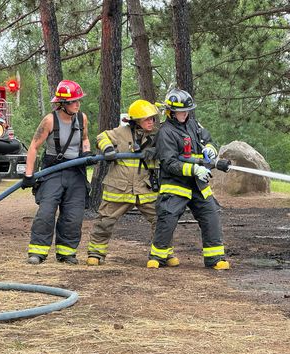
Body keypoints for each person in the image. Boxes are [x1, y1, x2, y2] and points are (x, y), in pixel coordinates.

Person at [86, 99, 179, 267]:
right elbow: (101, 136)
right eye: (146, 119)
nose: (151, 122)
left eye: (152, 118)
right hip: (119, 188)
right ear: (136, 120)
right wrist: (107, 149)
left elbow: (172, 148)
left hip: (146, 188)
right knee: (105, 221)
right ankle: (96, 253)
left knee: (162, 220)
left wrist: (157, 150)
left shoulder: (159, 135)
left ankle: (164, 253)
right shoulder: (121, 133)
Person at [147, 89, 230, 270]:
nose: (185, 115)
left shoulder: (192, 124)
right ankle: (158, 256)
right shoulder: (165, 132)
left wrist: (209, 149)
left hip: (197, 184)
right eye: (181, 112)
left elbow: (205, 138)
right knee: (167, 218)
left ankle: (215, 258)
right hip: (175, 184)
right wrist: (194, 168)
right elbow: (169, 163)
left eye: (187, 111)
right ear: (170, 112)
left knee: (211, 215)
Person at [22, 80, 91, 265]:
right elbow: (34, 146)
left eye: (78, 100)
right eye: (73, 101)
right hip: (53, 171)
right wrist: (29, 174)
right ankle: (37, 253)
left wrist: (86, 151)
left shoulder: (82, 118)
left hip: (76, 172)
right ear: (62, 103)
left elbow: (85, 139)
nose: (77, 104)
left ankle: (66, 253)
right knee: (46, 213)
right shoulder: (49, 120)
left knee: (73, 216)